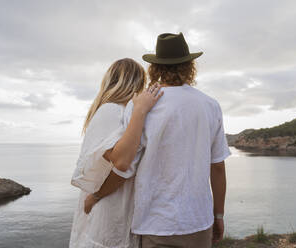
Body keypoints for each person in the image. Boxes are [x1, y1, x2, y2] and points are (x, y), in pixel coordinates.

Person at [85, 33, 231, 248]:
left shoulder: (141, 104)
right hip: (198, 220)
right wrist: (218, 214)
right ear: (190, 66)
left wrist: (97, 195)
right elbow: (217, 167)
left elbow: (127, 166)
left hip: (155, 223)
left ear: (155, 68)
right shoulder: (210, 105)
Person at [69, 58, 163, 248]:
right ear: (134, 82)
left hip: (113, 204)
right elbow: (121, 162)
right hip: (107, 204)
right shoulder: (112, 111)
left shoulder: (123, 112)